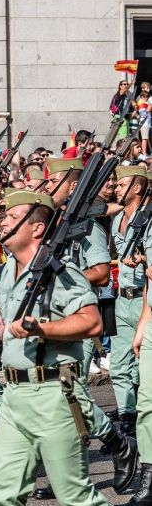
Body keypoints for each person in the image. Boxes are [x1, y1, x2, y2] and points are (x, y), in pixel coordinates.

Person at [0, 189, 120, 506]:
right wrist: (0, 330)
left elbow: (91, 321)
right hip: (14, 396)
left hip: (52, 394)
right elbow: (17, 325)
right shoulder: (8, 272)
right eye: (4, 217)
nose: (4, 223)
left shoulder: (60, 271)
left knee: (74, 496)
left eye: (13, 219)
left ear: (37, 228)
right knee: (2, 493)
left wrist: (41, 329)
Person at [111, 165, 148, 437]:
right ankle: (127, 420)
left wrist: (144, 259)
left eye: (121, 184)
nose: (116, 188)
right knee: (119, 366)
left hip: (144, 300)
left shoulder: (148, 220)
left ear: (137, 188)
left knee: (144, 368)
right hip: (122, 300)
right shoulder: (117, 220)